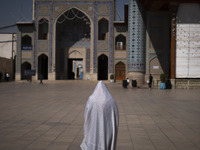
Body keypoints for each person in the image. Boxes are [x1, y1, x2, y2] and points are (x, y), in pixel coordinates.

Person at [80, 81, 119, 150]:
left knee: (94, 140)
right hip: (107, 129)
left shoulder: (92, 100)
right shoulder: (111, 100)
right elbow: (115, 116)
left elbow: (87, 113)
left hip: (94, 129)